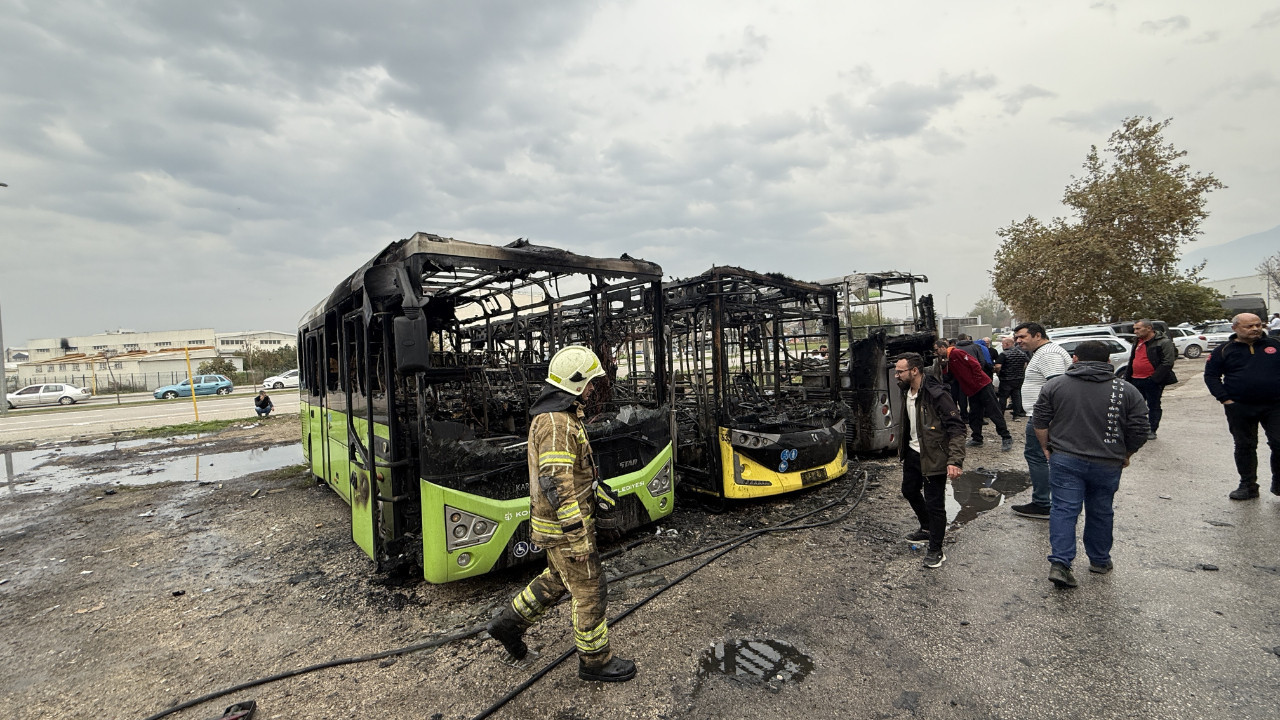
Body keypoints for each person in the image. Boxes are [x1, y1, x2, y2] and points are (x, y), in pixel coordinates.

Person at [486, 345, 636, 682]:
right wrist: (578, 534)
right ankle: (595, 661)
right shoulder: (556, 424)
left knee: (556, 579)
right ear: (575, 384)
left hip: (559, 526)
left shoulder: (562, 417)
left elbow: (569, 475)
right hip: (567, 528)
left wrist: (595, 488)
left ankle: (507, 625)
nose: (594, 388)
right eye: (591, 382)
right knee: (590, 589)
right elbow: (556, 484)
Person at [1032, 340, 1150, 588]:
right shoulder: (1127, 390)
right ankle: (1099, 560)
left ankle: (1061, 564)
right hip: (1107, 461)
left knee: (1064, 509)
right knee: (1101, 510)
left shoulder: (1055, 385)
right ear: (1108, 362)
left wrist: (1045, 447)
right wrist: (1127, 453)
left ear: (1075, 360)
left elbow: (1040, 420)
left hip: (1065, 458)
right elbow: (1140, 429)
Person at [893, 352, 966, 569]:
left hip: (935, 456)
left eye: (900, 371)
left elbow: (957, 427)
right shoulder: (906, 390)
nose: (896, 375)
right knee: (909, 491)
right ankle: (926, 528)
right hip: (914, 453)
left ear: (914, 370)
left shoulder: (937, 394)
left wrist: (955, 460)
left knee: (935, 504)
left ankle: (936, 549)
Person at [1203, 313, 1280, 500]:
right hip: (1240, 407)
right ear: (1235, 328)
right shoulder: (1224, 350)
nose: (1255, 329)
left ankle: (1278, 482)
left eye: (1258, 325)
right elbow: (1211, 376)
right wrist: (1225, 399)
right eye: (1249, 326)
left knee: (1279, 443)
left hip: (1275, 406)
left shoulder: (1275, 345)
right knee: (1245, 445)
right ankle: (1248, 485)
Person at [1009, 322, 1074, 519]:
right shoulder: (1044, 352)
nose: (1018, 341)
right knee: (1048, 457)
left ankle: (1043, 503)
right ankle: (1053, 501)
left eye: (1022, 337)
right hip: (1044, 414)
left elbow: (1056, 386)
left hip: (1044, 416)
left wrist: (1046, 418)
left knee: (1037, 456)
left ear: (1038, 335)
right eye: (1016, 338)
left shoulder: (1048, 354)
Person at [935, 339, 1014, 451]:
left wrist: (976, 380)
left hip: (981, 385)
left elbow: (975, 364)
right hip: (972, 388)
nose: (936, 353)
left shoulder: (956, 353)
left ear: (943, 347)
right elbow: (949, 376)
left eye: (937, 350)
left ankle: (1006, 436)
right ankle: (977, 437)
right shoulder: (947, 360)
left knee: (993, 411)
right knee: (975, 413)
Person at [1121, 319, 1177, 440]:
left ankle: (1152, 429)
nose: (1135, 331)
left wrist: (1154, 379)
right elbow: (1132, 360)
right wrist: (1128, 377)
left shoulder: (1163, 342)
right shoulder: (1137, 341)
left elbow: (1168, 362)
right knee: (1134, 406)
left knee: (1154, 405)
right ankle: (1136, 429)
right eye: (1134, 329)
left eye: (1138, 329)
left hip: (1152, 380)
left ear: (1149, 328)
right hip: (1135, 379)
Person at [994, 336, 1028, 419]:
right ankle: (1016, 414)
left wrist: (999, 373)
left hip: (1006, 378)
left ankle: (1000, 414)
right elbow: (1025, 364)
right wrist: (1020, 371)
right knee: (1016, 396)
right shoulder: (1022, 353)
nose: (1002, 346)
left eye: (1002, 344)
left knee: (1003, 397)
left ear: (1007, 344)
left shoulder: (1003, 354)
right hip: (1019, 378)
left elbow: (998, 366)